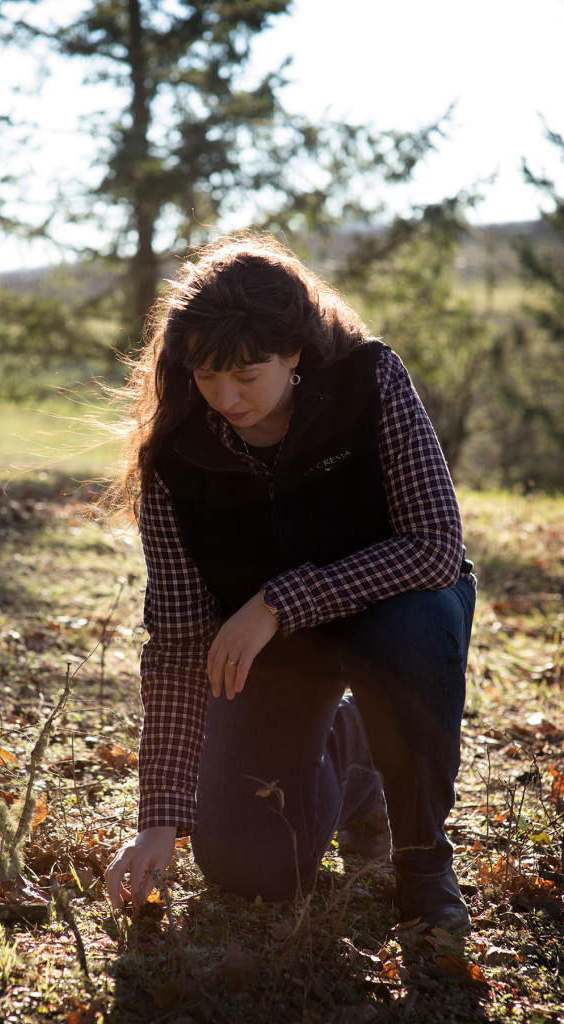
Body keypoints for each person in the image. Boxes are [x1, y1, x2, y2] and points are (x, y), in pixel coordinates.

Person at [103, 232, 476, 933]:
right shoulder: (176, 465)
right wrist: (158, 821)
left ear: (295, 351)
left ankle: (422, 860)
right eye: (208, 376)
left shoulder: (369, 383)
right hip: (275, 656)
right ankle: (352, 744)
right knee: (250, 869)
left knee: (413, 627)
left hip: (396, 618)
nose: (226, 396)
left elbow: (431, 549)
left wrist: (278, 601)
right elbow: (182, 645)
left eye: (247, 373)